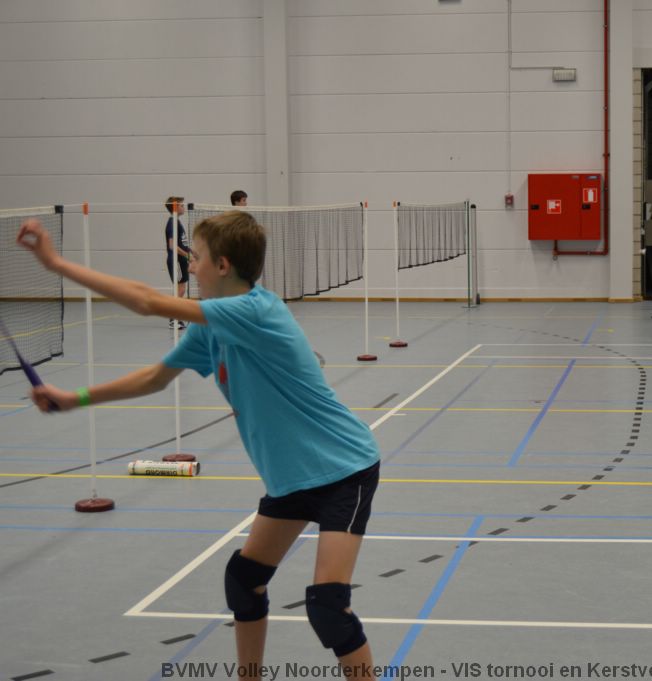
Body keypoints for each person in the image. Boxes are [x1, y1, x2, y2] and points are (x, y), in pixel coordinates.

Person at [18, 211, 382, 679]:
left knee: (327, 607)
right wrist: (75, 398)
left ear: (224, 265)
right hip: (291, 478)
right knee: (243, 581)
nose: (190, 265)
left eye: (198, 257)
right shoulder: (208, 328)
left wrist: (56, 265)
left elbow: (148, 302)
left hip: (343, 471)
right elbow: (155, 377)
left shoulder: (257, 312)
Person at [165, 196, 191, 329]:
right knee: (180, 290)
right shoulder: (172, 223)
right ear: (175, 207)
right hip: (176, 260)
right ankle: (173, 319)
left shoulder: (178, 222)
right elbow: (172, 246)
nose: (184, 206)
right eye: (181, 205)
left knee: (182, 289)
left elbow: (182, 243)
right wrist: (188, 255)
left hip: (182, 260)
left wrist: (193, 253)